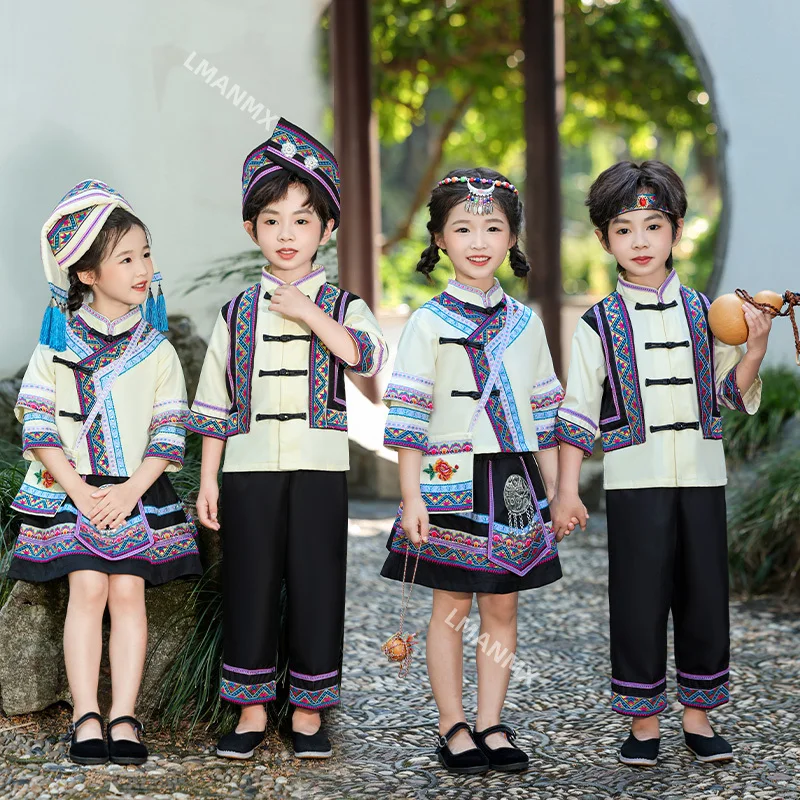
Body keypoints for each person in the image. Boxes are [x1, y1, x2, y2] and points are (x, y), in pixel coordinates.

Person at [552, 160, 772, 766]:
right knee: (637, 598)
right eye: (624, 229)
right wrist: (567, 491)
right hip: (633, 484)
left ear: (676, 229)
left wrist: (753, 347)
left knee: (704, 596)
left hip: (703, 479)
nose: (640, 241)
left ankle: (698, 717)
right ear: (603, 239)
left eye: (653, 225)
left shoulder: (710, 312)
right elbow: (577, 413)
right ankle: (643, 724)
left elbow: (728, 396)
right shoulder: (598, 323)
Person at [187, 119, 387, 760]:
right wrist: (208, 480)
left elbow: (366, 359)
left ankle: (307, 712)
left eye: (303, 220)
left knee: (317, 581)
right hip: (245, 469)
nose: (287, 233)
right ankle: (249, 710)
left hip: (320, 467)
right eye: (272, 220)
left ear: (327, 230)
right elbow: (213, 401)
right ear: (252, 231)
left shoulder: (343, 303)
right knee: (247, 582)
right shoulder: (235, 311)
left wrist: (309, 313)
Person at [381, 168, 573, 775]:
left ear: (512, 237)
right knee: (451, 607)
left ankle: (491, 721)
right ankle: (453, 726)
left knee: (503, 609)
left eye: (493, 227)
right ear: (439, 239)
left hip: (514, 481)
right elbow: (408, 417)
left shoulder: (527, 323)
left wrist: (560, 491)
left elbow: (546, 415)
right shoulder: (426, 324)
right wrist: (410, 495)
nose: (479, 240)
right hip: (446, 475)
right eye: (463, 228)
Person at [8, 180, 202, 766]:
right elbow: (37, 427)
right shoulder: (55, 343)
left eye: (146, 253)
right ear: (87, 274)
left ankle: (125, 715)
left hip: (135, 490)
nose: (143, 267)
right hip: (71, 489)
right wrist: (82, 493)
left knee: (129, 592)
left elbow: (169, 435)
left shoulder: (159, 350)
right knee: (88, 588)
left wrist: (126, 494)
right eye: (126, 258)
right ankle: (85, 714)